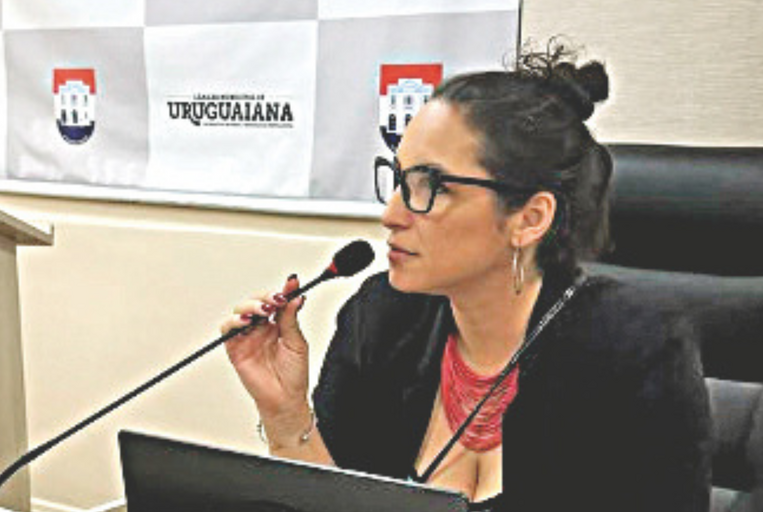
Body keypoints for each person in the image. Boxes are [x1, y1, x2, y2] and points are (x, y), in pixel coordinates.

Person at [221, 42, 711, 512]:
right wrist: (286, 416)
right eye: (399, 180)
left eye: (430, 186)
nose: (391, 214)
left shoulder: (633, 352)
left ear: (529, 219)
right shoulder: (381, 319)